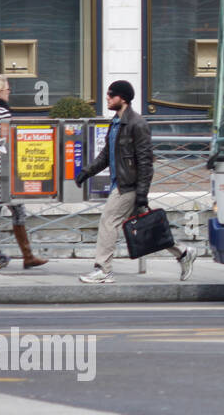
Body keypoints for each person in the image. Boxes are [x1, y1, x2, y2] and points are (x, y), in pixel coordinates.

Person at [74, 80, 195, 285]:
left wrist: (141, 195)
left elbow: (146, 163)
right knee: (150, 228)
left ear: (122, 98)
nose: (107, 98)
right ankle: (183, 253)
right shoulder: (115, 123)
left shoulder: (137, 124)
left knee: (108, 221)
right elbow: (106, 155)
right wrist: (86, 172)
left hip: (128, 186)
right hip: (120, 184)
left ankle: (103, 269)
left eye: (111, 95)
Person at [0, 74, 47, 270]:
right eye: (7, 89)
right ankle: (27, 255)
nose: (10, 92)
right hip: (1, 170)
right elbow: (4, 142)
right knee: (14, 211)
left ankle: (28, 256)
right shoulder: (2, 113)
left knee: (15, 210)